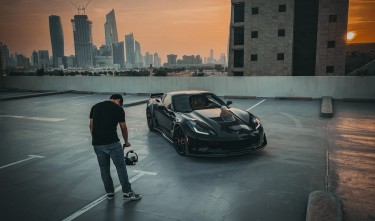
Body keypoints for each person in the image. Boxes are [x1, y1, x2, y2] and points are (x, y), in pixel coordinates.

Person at [89, 94, 141, 201]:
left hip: (97, 144)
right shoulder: (118, 109)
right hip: (112, 143)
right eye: (120, 103)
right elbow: (123, 127)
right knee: (121, 168)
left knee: (104, 169)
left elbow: (91, 125)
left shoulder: (95, 106)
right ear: (118, 100)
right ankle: (127, 192)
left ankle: (109, 193)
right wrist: (126, 141)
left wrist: (96, 138)